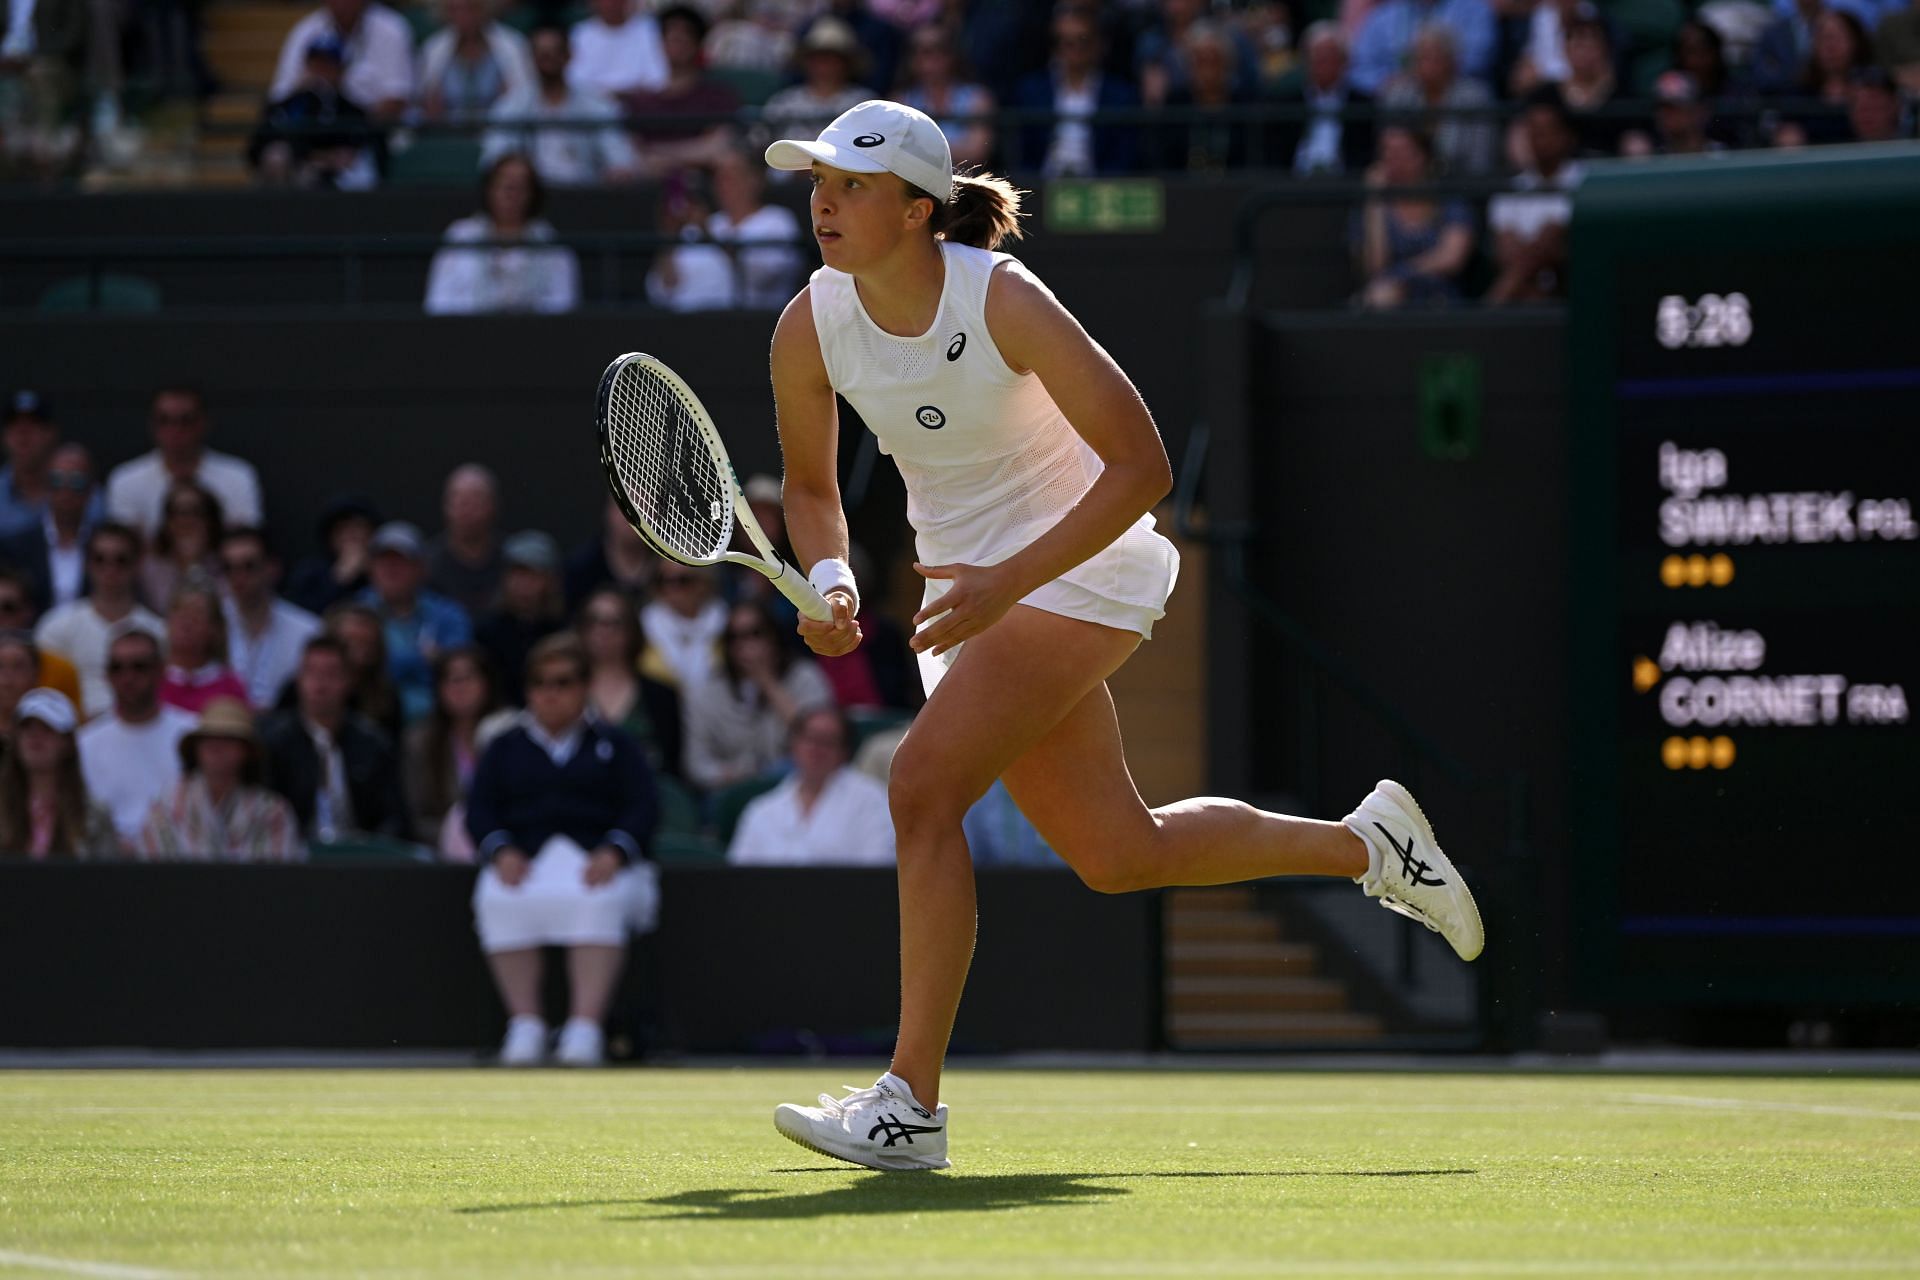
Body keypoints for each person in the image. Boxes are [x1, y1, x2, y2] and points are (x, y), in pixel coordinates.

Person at [760, 99, 1483, 1169]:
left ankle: (910, 1104)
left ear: (919, 210)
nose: (824, 200)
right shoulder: (807, 323)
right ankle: (1369, 842)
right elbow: (813, 488)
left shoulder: (1001, 296)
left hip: (1081, 562)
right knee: (1117, 852)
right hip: (976, 595)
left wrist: (1006, 580)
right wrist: (828, 578)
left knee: (918, 788)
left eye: (852, 184)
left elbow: (1143, 465)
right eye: (818, 180)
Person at [466, 633, 658, 1066]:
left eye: (563, 682)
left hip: (596, 860)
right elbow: (479, 810)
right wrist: (501, 851)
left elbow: (643, 807)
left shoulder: (617, 744)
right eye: (539, 683)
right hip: (524, 859)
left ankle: (584, 1028)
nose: (550, 694)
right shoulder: (504, 747)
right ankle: (526, 1024)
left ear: (583, 686)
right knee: (497, 896)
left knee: (602, 899)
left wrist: (614, 852)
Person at [258, 634, 412, 844]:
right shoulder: (273, 742)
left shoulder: (373, 743)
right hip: (292, 858)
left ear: (348, 680)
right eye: (311, 673)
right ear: (298, 679)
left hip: (359, 860)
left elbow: (394, 818)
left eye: (330, 674)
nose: (320, 684)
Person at [683, 599, 834, 791]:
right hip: (734, 788)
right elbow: (697, 764)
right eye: (734, 637)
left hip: (797, 781)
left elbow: (818, 736)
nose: (744, 645)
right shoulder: (706, 693)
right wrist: (732, 774)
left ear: (774, 636)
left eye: (755, 634)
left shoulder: (805, 677)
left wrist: (767, 683)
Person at [138, 697, 304, 860]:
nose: (216, 747)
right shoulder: (167, 805)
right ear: (196, 748)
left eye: (228, 739)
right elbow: (157, 872)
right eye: (208, 739)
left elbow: (276, 876)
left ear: (246, 751)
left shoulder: (271, 812)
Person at [727, 703, 893, 865]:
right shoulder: (760, 811)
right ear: (794, 744)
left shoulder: (872, 800)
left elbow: (877, 870)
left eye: (828, 741)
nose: (816, 749)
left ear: (844, 752)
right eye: (809, 738)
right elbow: (741, 880)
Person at [76, 626, 197, 845]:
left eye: (139, 667)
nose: (127, 677)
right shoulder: (85, 742)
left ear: (161, 670)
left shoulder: (192, 733)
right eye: (117, 668)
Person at [482, 24, 640, 186]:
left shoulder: (597, 104)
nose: (548, 60)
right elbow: (494, 159)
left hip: (585, 193)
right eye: (542, 55)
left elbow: (619, 155)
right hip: (532, 199)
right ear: (531, 58)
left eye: (555, 53)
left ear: (569, 55)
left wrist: (618, 170)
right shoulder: (511, 105)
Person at [424, 152, 581, 315]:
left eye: (520, 187)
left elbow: (563, 307)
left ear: (533, 194)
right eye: (505, 185)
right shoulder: (460, 236)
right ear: (489, 189)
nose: (511, 195)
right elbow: (438, 303)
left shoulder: (551, 246)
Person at [35, 522, 165, 718]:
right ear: (87, 563)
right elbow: (46, 696)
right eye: (100, 559)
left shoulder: (159, 631)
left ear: (137, 564)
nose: (110, 569)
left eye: (121, 560)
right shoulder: (55, 626)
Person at [104, 387, 264, 539]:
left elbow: (245, 545)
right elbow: (122, 550)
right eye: (165, 420)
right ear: (152, 426)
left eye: (185, 420)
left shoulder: (237, 477)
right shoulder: (126, 480)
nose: (175, 430)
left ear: (203, 423)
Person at [358, 520, 474, 723]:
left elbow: (457, 670)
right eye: (383, 561)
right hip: (369, 720)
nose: (391, 570)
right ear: (370, 568)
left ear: (421, 568)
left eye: (400, 562)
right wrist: (424, 661)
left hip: (435, 724)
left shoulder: (449, 614)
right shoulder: (356, 612)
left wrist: (385, 664)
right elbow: (358, 673)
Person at [1352, 122, 1475, 308]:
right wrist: (1375, 202)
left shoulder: (1449, 200)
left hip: (1440, 296)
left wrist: (1401, 275)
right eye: (1386, 151)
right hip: (1386, 299)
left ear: (1423, 156)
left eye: (1401, 151)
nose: (1392, 158)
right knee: (1379, 297)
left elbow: (1451, 258)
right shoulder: (1371, 207)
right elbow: (1375, 267)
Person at [1012, 4, 1141, 177]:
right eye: (1064, 42)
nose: (1073, 51)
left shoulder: (1120, 95)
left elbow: (1124, 156)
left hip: (1100, 187)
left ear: (1099, 44)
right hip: (1043, 186)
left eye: (1082, 40)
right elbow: (1023, 152)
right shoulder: (1031, 91)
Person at [1485, 87, 1583, 305]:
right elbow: (1505, 253)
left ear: (1566, 134)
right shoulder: (1510, 191)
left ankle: (1489, 310)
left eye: (1548, 131)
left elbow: (1560, 246)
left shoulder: (1585, 181)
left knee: (1551, 234)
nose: (1541, 139)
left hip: (1571, 287)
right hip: (1528, 294)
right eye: (1534, 131)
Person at [249, 35, 385, 189]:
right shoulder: (287, 104)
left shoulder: (351, 110)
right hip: (291, 173)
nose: (320, 72)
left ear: (340, 70)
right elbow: (256, 147)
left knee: (312, 176)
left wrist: (326, 159)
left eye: (327, 66)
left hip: (332, 183)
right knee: (276, 157)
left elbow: (350, 150)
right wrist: (317, 156)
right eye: (316, 65)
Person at [577, 585, 683, 779]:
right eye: (594, 621)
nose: (603, 631)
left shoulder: (661, 695)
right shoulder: (565, 688)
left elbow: (673, 765)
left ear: (631, 630)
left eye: (613, 622)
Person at [0, 687, 119, 858]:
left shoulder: (93, 815)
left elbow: (107, 878)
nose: (35, 735)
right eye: (26, 727)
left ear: (67, 741)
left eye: (47, 728)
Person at [623, 4, 740, 172]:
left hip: (706, 185)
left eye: (686, 34)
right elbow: (632, 153)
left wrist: (661, 155)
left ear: (699, 43)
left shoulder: (718, 95)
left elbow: (719, 146)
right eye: (669, 35)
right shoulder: (639, 101)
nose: (677, 40)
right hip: (649, 188)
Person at [404, 645, 498, 851]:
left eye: (468, 677)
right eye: (451, 679)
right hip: (441, 857)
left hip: (503, 855)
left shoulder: (507, 735)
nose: (460, 686)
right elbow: (417, 817)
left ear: (487, 683)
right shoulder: (419, 742)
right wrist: (455, 838)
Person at [220, 526, 322, 709]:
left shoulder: (307, 631)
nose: (238, 577)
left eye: (249, 566)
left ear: (272, 568)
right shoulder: (210, 625)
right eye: (229, 568)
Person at [1381, 24, 1497, 176]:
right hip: (1406, 184)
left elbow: (1479, 160)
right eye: (1419, 57)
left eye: (1432, 57)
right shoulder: (1398, 96)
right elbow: (1388, 149)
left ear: (1451, 61)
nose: (1424, 65)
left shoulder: (1475, 98)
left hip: (1459, 185)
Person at [268, 0, 414, 120]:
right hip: (312, 131)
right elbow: (280, 95)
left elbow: (398, 99)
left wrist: (352, 120)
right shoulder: (306, 31)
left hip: (375, 132)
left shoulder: (391, 29)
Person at [1, 441, 98, 615]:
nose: (65, 490)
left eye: (77, 482)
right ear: (45, 486)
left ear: (91, 489)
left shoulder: (105, 544)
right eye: (56, 480)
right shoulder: (16, 546)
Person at [474, 530, 568, 706]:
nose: (524, 584)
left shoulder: (564, 633)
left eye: (533, 575)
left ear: (550, 580)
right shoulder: (486, 633)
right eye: (517, 574)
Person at [708, 141, 806, 309]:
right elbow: (665, 290)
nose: (724, 184)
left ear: (755, 180)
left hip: (758, 324)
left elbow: (763, 278)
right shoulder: (708, 224)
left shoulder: (778, 220)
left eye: (733, 176)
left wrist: (707, 235)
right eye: (720, 177)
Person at [1271, 22, 1376, 176]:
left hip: (1346, 187)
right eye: (1318, 58)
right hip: (1293, 187)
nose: (1323, 65)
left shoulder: (1363, 104)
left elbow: (1365, 157)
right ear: (1306, 61)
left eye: (1330, 58)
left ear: (1344, 61)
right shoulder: (1284, 103)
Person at [761, 16, 874, 148]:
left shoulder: (863, 104)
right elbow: (761, 143)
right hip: (789, 166)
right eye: (818, 59)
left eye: (832, 59)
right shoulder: (784, 102)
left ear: (846, 63)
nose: (824, 66)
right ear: (807, 62)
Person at [0, 390, 100, 539]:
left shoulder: (83, 490)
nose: (23, 434)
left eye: (33, 425)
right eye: (15, 425)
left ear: (52, 433)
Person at [415, 0, 534, 123]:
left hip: (500, 130)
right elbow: (423, 101)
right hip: (447, 132)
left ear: (484, 10)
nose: (462, 16)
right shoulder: (433, 48)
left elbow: (524, 95)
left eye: (470, 9)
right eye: (454, 10)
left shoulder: (512, 44)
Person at [895, 25, 996, 169]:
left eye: (934, 50)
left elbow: (976, 152)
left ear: (951, 55)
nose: (925, 59)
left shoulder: (978, 98)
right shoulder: (900, 100)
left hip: (966, 184)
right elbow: (896, 152)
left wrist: (919, 148)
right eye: (917, 51)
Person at [1349, 0, 1495, 94]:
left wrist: (1434, 72)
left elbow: (1479, 59)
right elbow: (1359, 69)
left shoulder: (1475, 9)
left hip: (1456, 94)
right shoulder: (1383, 15)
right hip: (1398, 98)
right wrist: (1385, 82)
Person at [158, 580, 251, 714]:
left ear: (215, 629)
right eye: (180, 613)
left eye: (197, 615)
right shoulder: (151, 679)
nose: (186, 623)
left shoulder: (230, 688)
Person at [425, 463, 504, 619]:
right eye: (459, 501)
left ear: (493, 505)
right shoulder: (427, 562)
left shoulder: (511, 560)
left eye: (475, 500)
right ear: (445, 506)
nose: (466, 509)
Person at [323, 601, 406, 743]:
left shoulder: (387, 698)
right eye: (351, 640)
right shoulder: (302, 689)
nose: (360, 649)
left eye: (366, 642)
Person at [286, 494, 379, 616]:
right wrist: (338, 580)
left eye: (359, 527)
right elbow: (299, 618)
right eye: (342, 528)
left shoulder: (387, 568)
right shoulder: (310, 572)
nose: (351, 535)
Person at [138, 478, 222, 612]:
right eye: (179, 512)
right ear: (167, 522)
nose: (186, 521)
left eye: (196, 512)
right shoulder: (150, 568)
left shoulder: (228, 564)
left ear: (210, 520)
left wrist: (195, 564)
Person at [638, 560, 724, 689]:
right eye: (663, 580)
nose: (671, 587)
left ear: (703, 583)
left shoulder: (726, 624)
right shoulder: (642, 628)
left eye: (683, 580)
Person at [564, 495, 658, 608]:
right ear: (607, 512)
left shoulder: (673, 570)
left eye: (642, 508)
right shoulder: (580, 570)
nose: (631, 516)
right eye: (623, 507)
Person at [566, 0, 668, 102]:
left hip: (639, 105)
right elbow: (574, 80)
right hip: (590, 107)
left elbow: (657, 79)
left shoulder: (648, 30)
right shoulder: (580, 33)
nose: (612, 3)